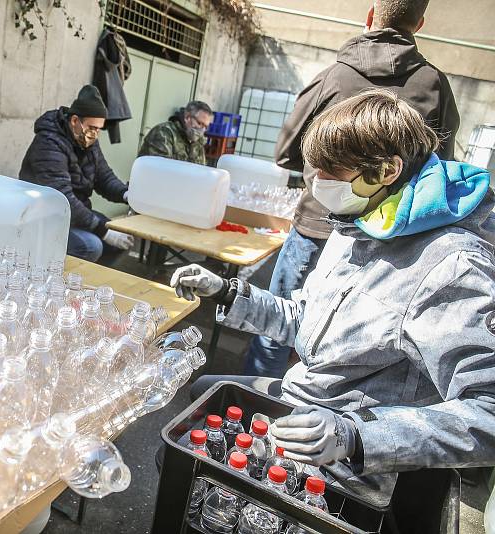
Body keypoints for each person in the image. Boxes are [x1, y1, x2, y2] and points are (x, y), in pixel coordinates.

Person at [170, 90, 494, 503]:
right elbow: (307, 321)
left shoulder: (451, 266)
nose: (317, 182)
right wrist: (228, 292)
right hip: (305, 405)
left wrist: (357, 437)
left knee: (189, 473)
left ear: (386, 170)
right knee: (199, 402)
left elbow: (488, 412)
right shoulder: (363, 221)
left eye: (330, 172)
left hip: (346, 465)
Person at [244, 0, 460, 378]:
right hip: (390, 237)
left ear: (369, 16)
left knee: (280, 330)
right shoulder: (434, 85)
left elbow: (285, 152)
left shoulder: (333, 77)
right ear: (420, 23)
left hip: (317, 224)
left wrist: (325, 176)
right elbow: (439, 169)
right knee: (347, 339)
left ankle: (265, 401)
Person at [19, 85, 134, 263]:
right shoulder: (49, 143)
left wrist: (126, 194)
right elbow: (63, 198)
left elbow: (104, 177)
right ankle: (58, 284)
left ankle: (90, 284)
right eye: (92, 127)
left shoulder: (88, 141)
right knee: (90, 246)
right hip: (43, 217)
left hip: (74, 216)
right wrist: (103, 231)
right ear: (74, 121)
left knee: (122, 239)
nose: (95, 134)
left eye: (99, 129)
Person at [138, 101, 213, 165]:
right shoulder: (164, 133)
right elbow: (159, 170)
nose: (202, 130)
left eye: (205, 127)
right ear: (187, 117)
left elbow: (201, 172)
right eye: (199, 123)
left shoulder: (198, 143)